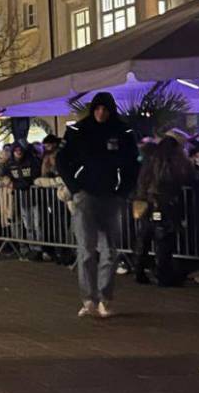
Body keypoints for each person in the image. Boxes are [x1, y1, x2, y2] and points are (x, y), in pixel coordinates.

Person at [56, 91, 139, 317]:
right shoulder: (78, 131)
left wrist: (123, 190)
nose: (101, 113)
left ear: (110, 110)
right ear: (93, 110)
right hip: (86, 194)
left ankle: (105, 297)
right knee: (86, 250)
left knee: (110, 251)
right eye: (98, 109)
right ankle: (89, 298)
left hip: (111, 196)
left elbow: (134, 162)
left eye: (105, 109)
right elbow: (62, 159)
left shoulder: (123, 132)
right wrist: (74, 186)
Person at [133, 136, 194, 286]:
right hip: (166, 204)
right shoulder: (174, 162)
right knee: (164, 241)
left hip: (147, 201)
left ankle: (139, 271)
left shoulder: (150, 159)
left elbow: (142, 180)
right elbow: (185, 177)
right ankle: (164, 276)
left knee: (145, 237)